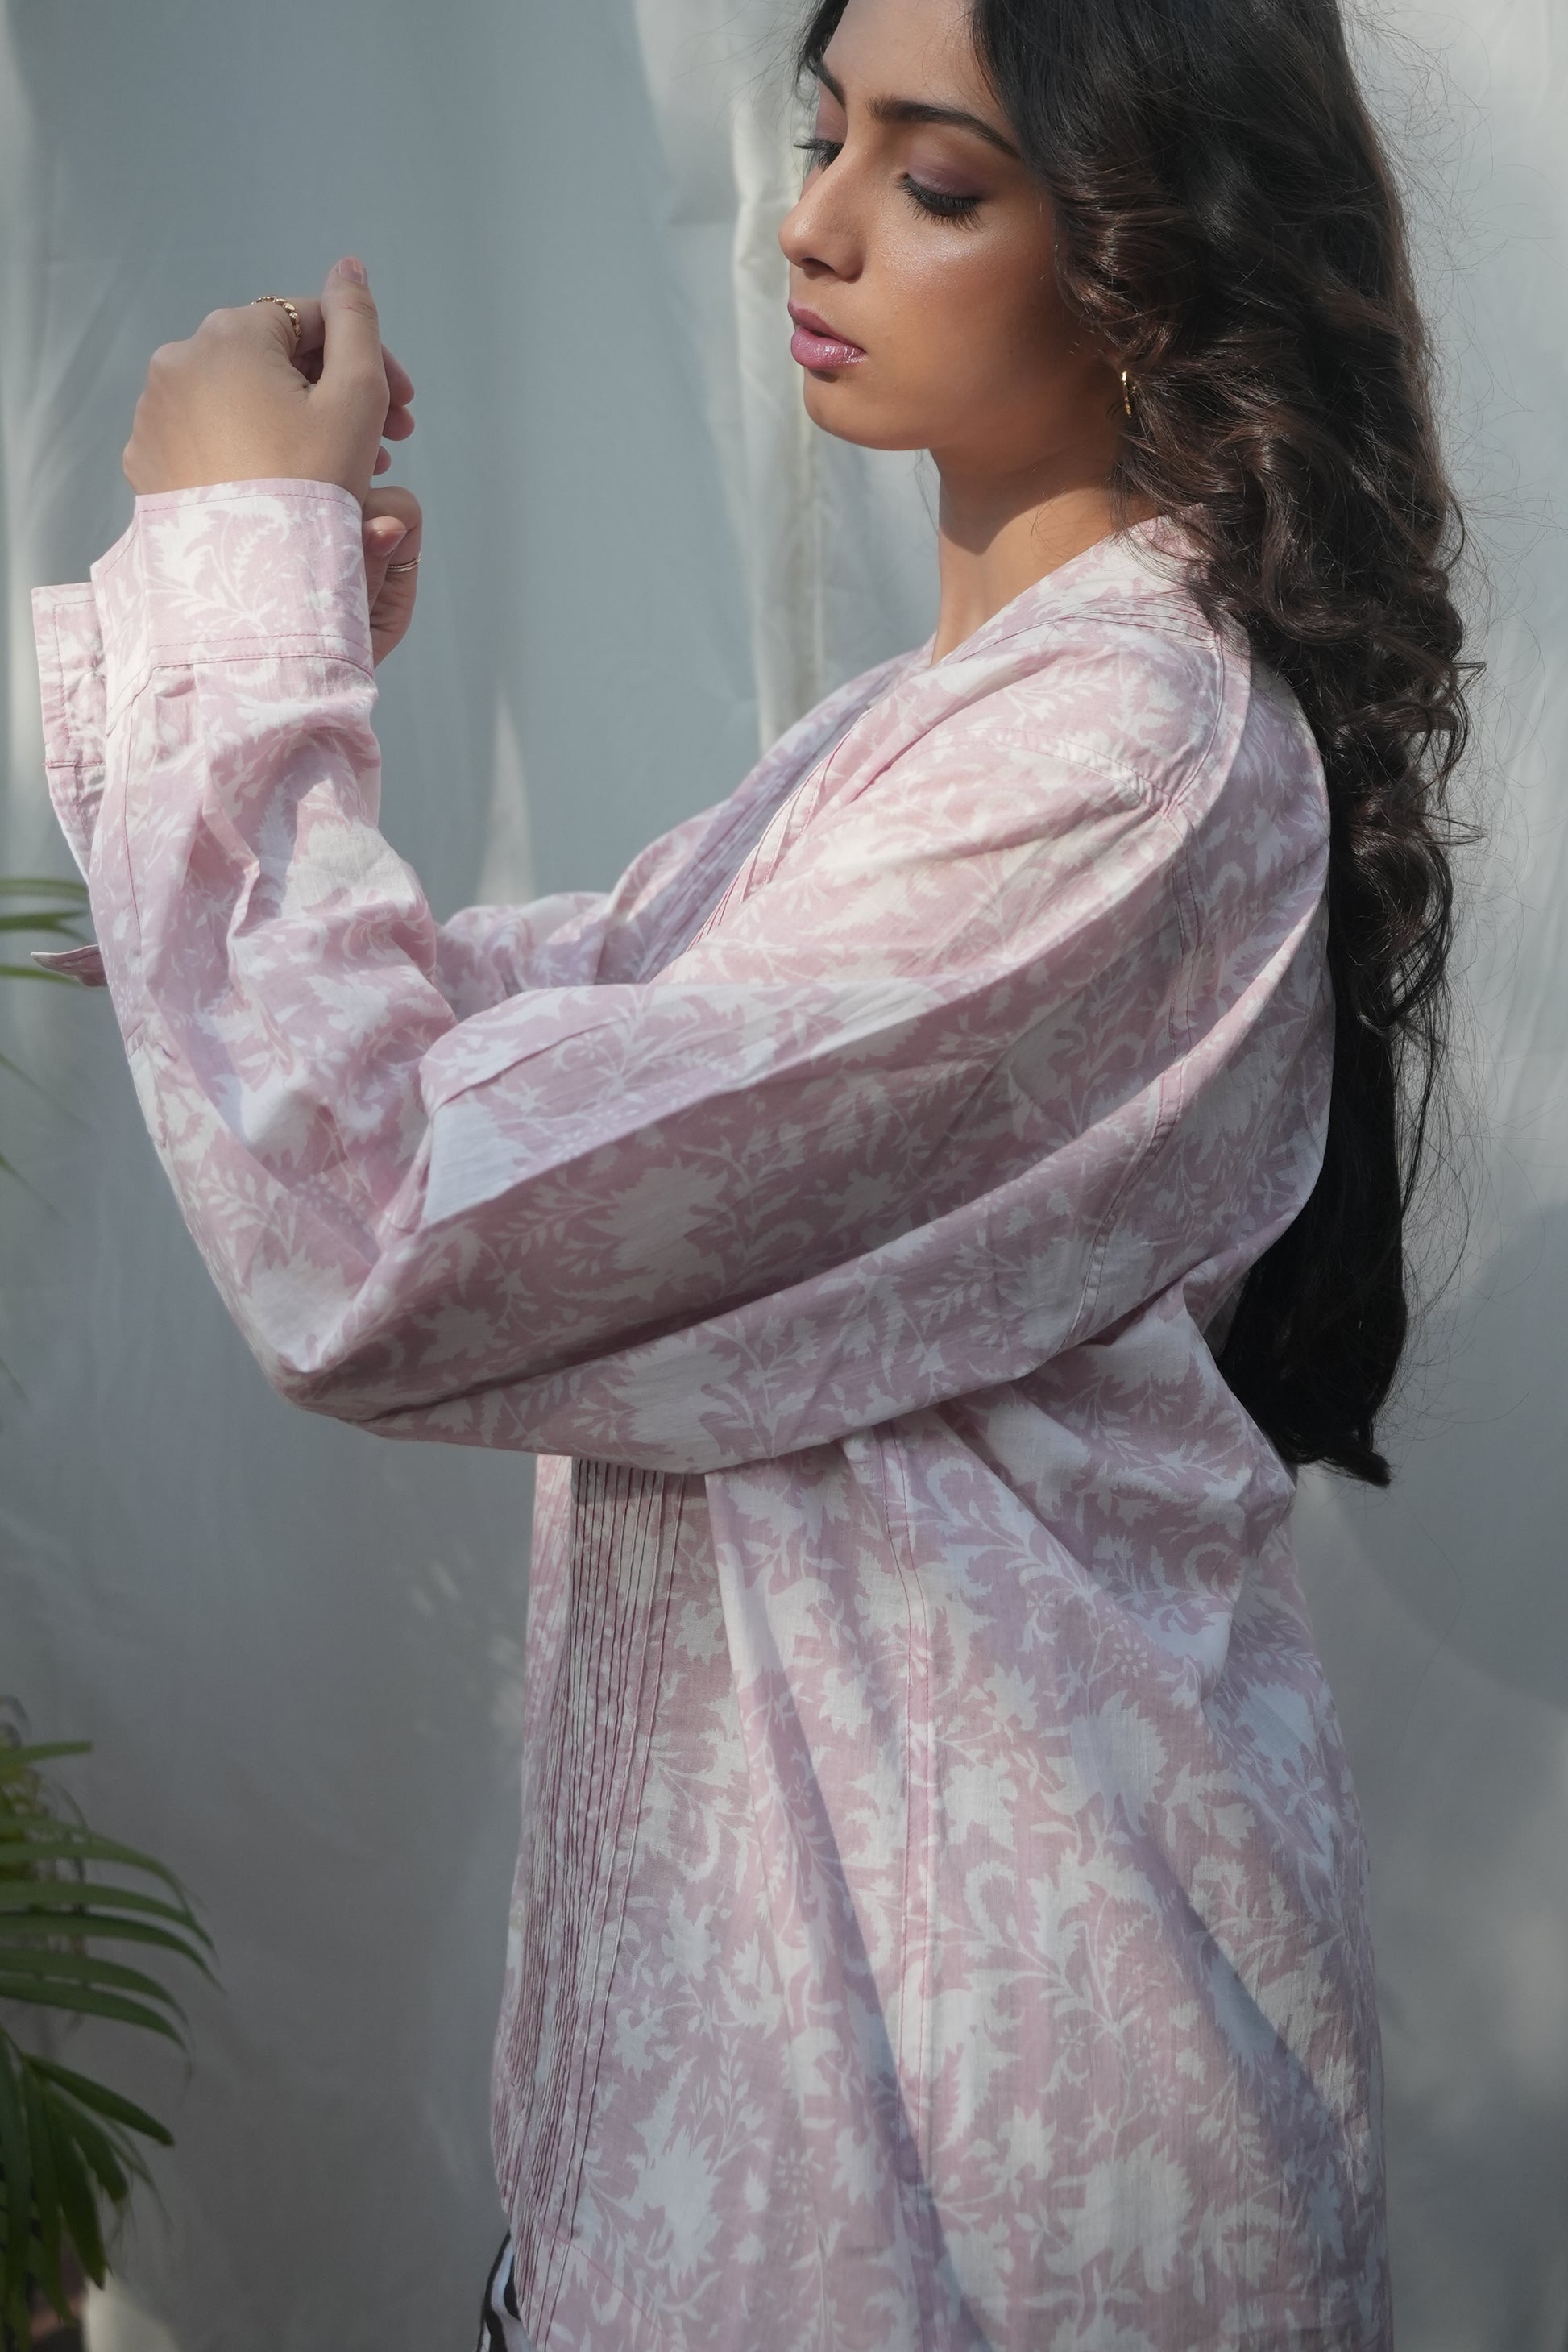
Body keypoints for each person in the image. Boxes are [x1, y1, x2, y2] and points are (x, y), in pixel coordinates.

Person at [31, 0, 1470, 2342]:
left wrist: (238, 573)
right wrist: (270, 637)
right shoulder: (946, 738)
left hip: (969, 2158)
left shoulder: (1124, 761)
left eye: (933, 178)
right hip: (799, 2102)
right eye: (822, 141)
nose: (811, 225)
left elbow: (392, 1217)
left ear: (1155, 248)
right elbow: (508, 1047)